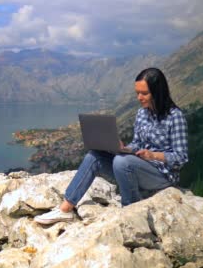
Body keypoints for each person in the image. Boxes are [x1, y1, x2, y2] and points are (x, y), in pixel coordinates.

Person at [35, 67, 188, 225]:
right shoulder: (142, 114)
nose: (139, 97)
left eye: (144, 93)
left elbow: (181, 158)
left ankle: (130, 213)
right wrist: (124, 148)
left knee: (122, 162)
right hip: (138, 167)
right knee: (94, 156)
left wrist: (153, 155)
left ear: (158, 92)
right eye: (137, 93)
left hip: (161, 175)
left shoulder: (175, 117)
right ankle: (65, 209)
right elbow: (137, 143)